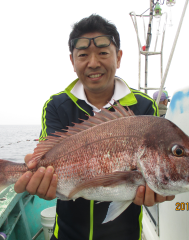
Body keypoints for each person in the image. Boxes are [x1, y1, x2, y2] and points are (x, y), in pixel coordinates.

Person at [14, 14, 175, 240]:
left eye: (102, 53)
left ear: (118, 58)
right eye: (83, 55)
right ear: (72, 61)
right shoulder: (57, 105)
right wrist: (39, 177)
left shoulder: (144, 106)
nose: (93, 63)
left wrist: (155, 187)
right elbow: (44, 158)